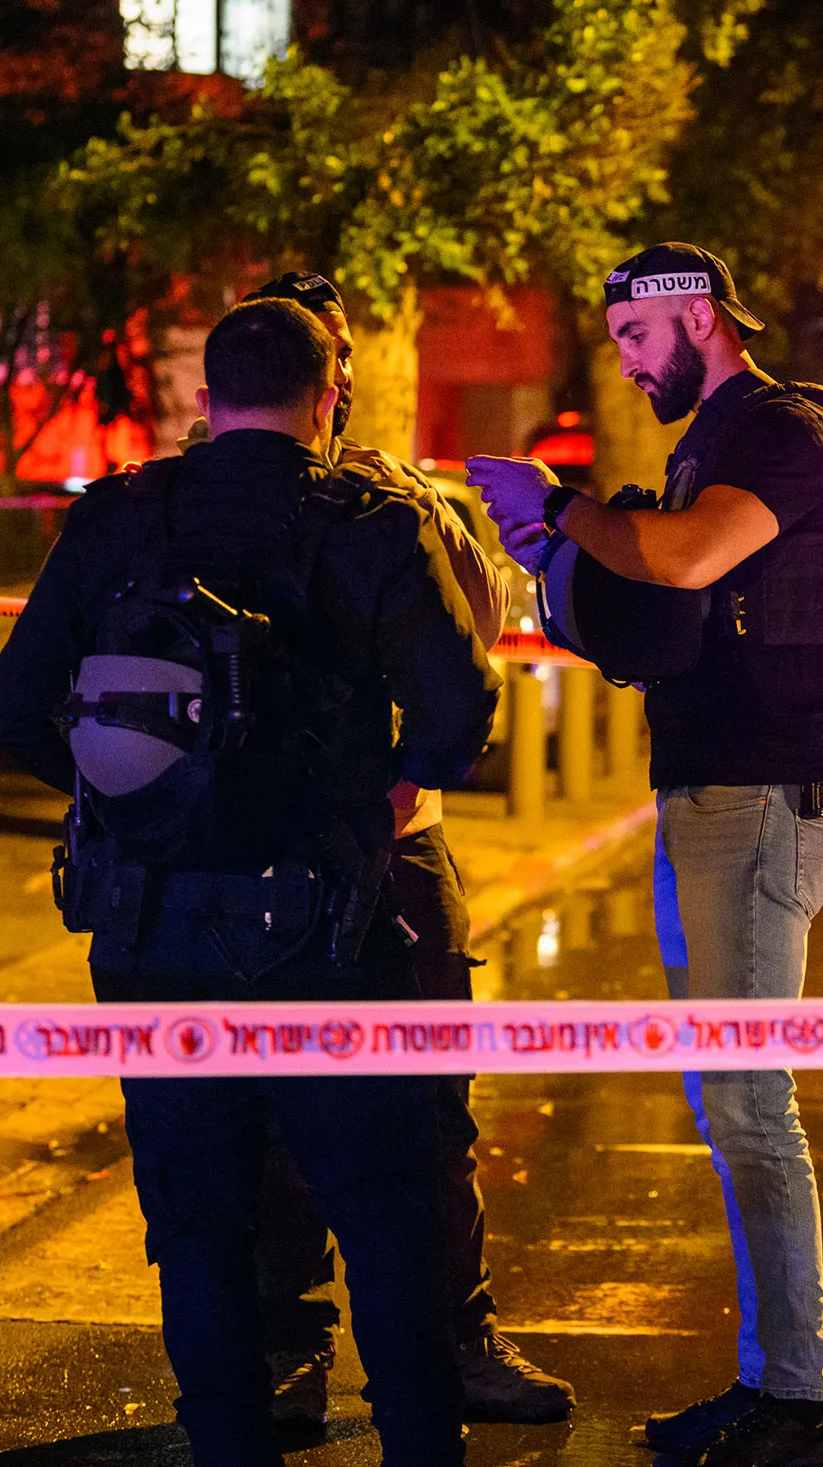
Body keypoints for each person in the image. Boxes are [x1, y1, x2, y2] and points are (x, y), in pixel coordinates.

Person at [0, 297, 497, 1467]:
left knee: (201, 1223)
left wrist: (123, 799)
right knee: (382, 1209)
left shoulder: (120, 517)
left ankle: (228, 1446)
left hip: (152, 927)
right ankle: (420, 1447)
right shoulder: (371, 519)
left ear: (205, 402)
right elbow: (463, 708)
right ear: (328, 401)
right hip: (329, 924)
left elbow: (11, 705)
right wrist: (387, 801)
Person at [467, 242, 823, 1467]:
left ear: (693, 318)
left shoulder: (781, 432)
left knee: (750, 1104)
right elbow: (659, 607)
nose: (630, 368)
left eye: (637, 342)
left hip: (758, 800)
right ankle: (775, 1387)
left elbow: (688, 557)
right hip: (715, 794)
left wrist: (557, 505)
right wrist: (551, 555)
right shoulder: (712, 443)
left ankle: (793, 1403)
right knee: (731, 1098)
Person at [223, 272, 573, 1432]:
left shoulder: (364, 503)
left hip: (338, 854)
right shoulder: (198, 503)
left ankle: (406, 1345)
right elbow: (471, 666)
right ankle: (330, 1352)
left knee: (411, 1109)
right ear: (330, 382)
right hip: (362, 846)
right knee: (323, 1114)